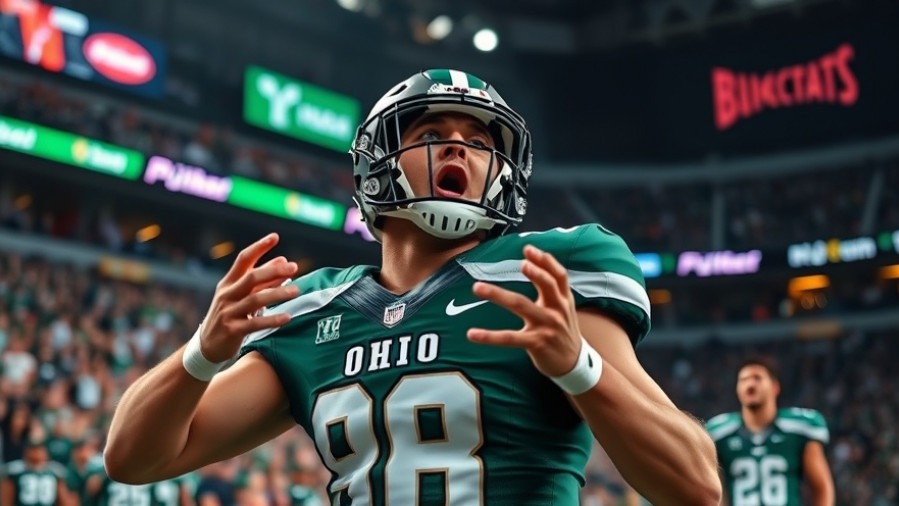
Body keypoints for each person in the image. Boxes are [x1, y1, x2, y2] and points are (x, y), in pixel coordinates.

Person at [104, 68, 720, 505]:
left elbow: (696, 484)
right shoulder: (317, 310)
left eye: (480, 142)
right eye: (430, 135)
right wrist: (203, 353)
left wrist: (578, 366)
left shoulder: (542, 273)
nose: (460, 147)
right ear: (377, 166)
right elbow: (133, 459)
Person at [705, 357, 834, 505]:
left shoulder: (799, 428)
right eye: (743, 379)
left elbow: (821, 488)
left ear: (775, 387)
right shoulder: (719, 433)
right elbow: (714, 493)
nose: (750, 384)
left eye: (757, 378)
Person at [1, 436, 72, 506]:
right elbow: (6, 500)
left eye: (39, 449)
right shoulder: (15, 472)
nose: (36, 453)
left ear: (46, 452)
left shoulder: (55, 472)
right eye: (33, 449)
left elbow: (63, 500)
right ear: (26, 451)